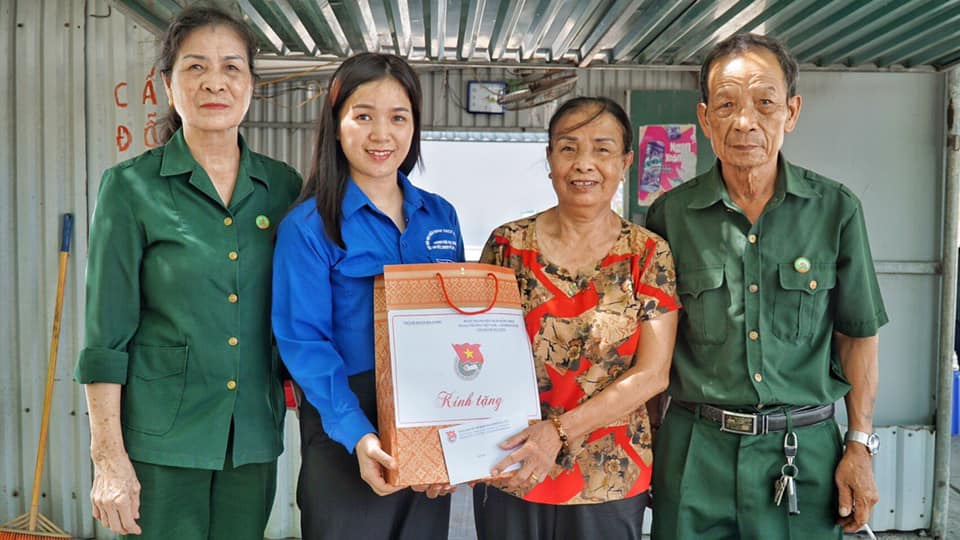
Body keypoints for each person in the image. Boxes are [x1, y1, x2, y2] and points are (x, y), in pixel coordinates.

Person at [645, 33, 887, 539]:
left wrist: (859, 445)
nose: (744, 122)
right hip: (694, 451)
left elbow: (858, 335)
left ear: (791, 112)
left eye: (764, 103)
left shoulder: (836, 210)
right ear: (705, 117)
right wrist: (648, 443)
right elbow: (653, 348)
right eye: (726, 105)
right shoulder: (670, 216)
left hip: (803, 453)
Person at [74, 6, 302, 539]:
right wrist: (108, 459)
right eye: (195, 67)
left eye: (231, 67)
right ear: (168, 84)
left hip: (251, 439)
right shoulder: (131, 187)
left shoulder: (283, 187)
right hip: (160, 444)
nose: (214, 82)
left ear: (251, 85)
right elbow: (105, 337)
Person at [271, 52, 464, 540]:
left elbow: (459, 327)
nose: (382, 134)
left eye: (398, 118)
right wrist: (357, 433)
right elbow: (304, 343)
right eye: (363, 117)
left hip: (428, 415)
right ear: (336, 126)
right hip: (346, 423)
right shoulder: (309, 227)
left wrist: (457, 439)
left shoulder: (441, 216)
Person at [472, 96, 680, 540]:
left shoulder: (647, 253)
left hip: (610, 475)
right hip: (512, 464)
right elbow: (476, 355)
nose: (584, 163)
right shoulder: (508, 246)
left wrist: (558, 433)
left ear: (625, 162)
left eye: (602, 149)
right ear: (550, 159)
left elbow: (653, 373)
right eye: (569, 148)